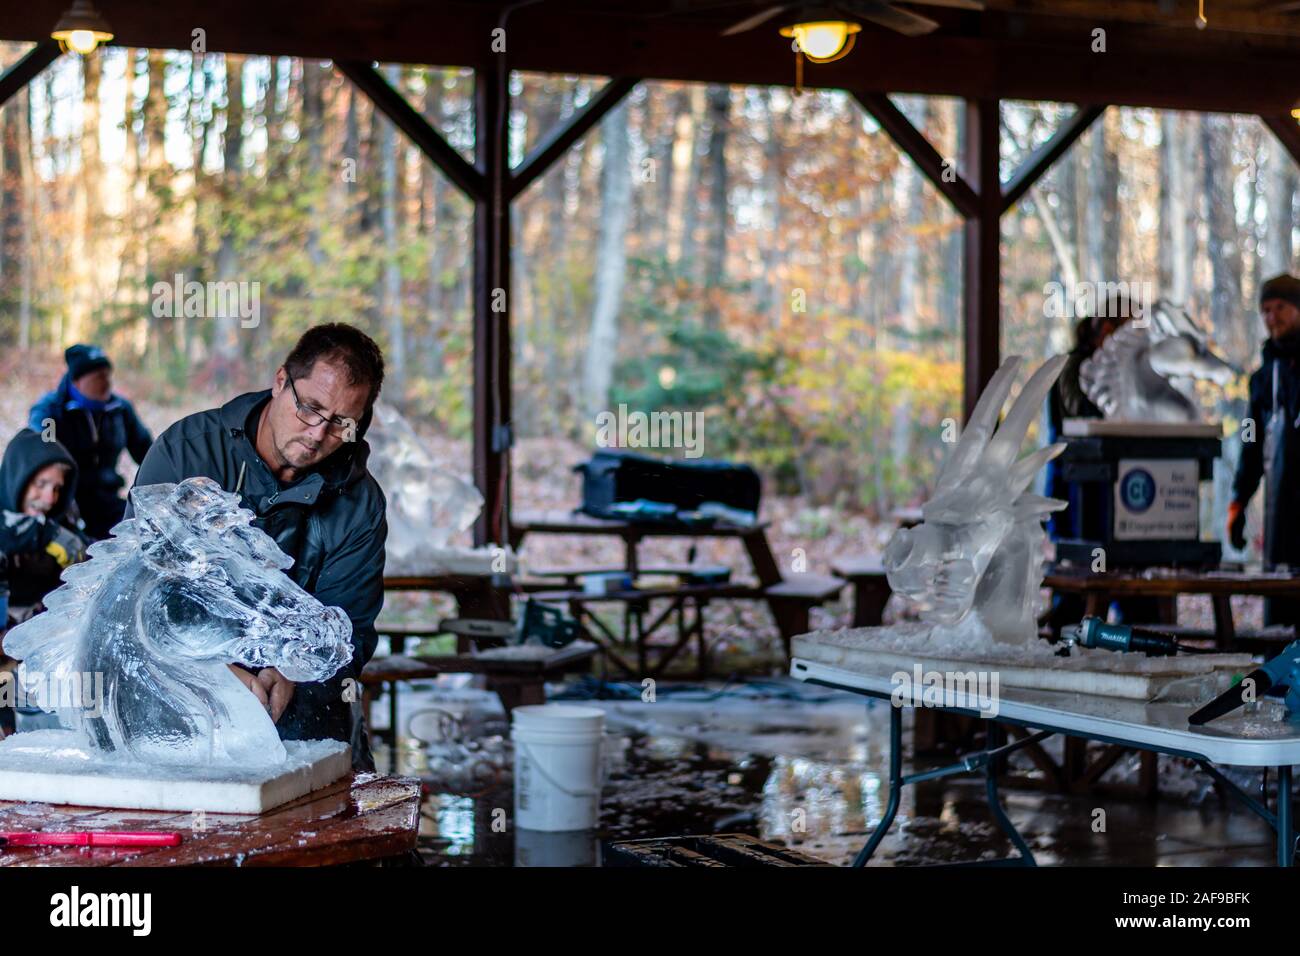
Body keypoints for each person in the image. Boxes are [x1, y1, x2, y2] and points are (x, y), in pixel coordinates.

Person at [129, 324, 388, 768]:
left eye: (342, 424)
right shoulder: (188, 455)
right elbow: (140, 591)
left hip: (308, 719)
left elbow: (351, 628)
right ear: (281, 381)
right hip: (182, 707)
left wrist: (292, 673)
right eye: (310, 408)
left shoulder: (359, 502)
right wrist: (214, 674)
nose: (317, 433)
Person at [0, 429, 90, 736]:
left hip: (42, 655)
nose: (49, 498)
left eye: (57, 488)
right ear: (18, 478)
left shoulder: (62, 533)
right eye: (40, 485)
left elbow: (85, 585)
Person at [1229, 273, 1300, 627]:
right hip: (1279, 515)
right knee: (1279, 616)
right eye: (1266, 311)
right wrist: (1238, 501)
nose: (1272, 318)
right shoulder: (1262, 379)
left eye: (1281, 308)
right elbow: (1251, 444)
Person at [28, 344, 153, 540]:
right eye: (98, 377)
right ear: (77, 381)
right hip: (66, 501)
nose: (107, 383)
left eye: (108, 375)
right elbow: (42, 453)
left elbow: (147, 452)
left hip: (107, 499)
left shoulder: (120, 410)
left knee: (145, 533)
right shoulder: (50, 412)